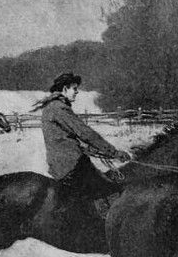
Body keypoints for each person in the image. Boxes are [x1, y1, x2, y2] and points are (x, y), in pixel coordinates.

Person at [34, 73, 131, 212]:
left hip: (61, 162)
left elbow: (64, 138)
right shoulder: (59, 108)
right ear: (64, 89)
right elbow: (85, 132)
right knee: (109, 190)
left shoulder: (51, 107)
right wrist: (113, 152)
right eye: (74, 88)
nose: (77, 91)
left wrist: (89, 149)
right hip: (71, 163)